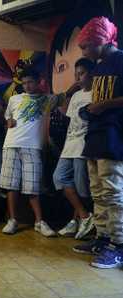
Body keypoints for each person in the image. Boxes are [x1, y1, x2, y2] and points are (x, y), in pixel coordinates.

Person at [72, 17, 123, 269]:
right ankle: (102, 237)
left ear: (100, 40)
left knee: (113, 191)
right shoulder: (100, 65)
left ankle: (118, 245)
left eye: (85, 47)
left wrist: (105, 105)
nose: (84, 52)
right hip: (95, 135)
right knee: (98, 191)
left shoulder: (121, 60)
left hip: (114, 136)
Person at [0, 68, 57, 237]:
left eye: (30, 82)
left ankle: (39, 222)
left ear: (39, 82)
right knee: (11, 186)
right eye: (23, 83)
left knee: (33, 187)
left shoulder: (46, 99)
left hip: (33, 146)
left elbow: (65, 95)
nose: (27, 86)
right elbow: (7, 116)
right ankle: (13, 220)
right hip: (11, 145)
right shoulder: (15, 99)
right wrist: (8, 121)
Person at [53, 58, 96, 239]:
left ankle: (77, 220)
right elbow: (70, 121)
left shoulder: (97, 93)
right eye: (76, 74)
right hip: (70, 144)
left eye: (82, 73)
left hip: (84, 145)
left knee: (81, 187)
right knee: (59, 178)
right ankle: (84, 216)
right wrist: (68, 93)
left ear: (92, 74)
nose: (78, 78)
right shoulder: (77, 95)